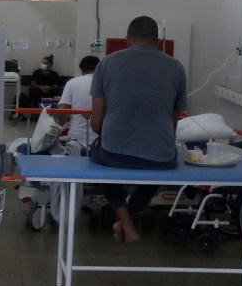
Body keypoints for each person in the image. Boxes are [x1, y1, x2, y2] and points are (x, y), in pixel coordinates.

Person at [90, 16, 187, 243]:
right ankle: (129, 220)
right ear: (157, 41)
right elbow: (174, 123)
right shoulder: (176, 67)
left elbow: (96, 124)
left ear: (127, 39)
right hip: (160, 156)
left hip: (115, 153)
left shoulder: (106, 64)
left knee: (102, 158)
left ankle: (125, 220)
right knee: (159, 165)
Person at [57, 55, 100, 148]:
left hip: (77, 138)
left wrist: (60, 128)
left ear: (81, 69)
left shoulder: (72, 82)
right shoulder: (106, 83)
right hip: (101, 139)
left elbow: (62, 110)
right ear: (99, 68)